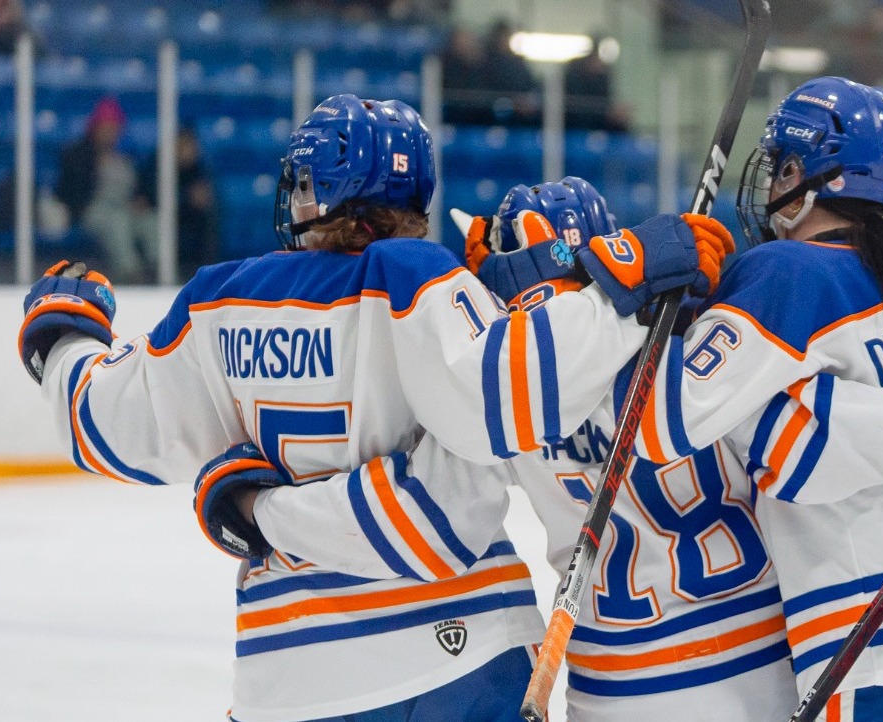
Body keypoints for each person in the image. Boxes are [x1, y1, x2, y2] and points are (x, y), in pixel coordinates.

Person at [17, 94, 729, 722]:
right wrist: (622, 285)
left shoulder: (216, 300)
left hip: (288, 676)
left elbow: (100, 424)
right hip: (460, 654)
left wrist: (63, 335)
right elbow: (500, 403)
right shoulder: (412, 274)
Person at [204, 176, 807, 721]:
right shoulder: (708, 343)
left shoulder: (494, 393)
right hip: (762, 663)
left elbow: (416, 513)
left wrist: (258, 507)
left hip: (619, 685)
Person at [586, 77, 883, 720]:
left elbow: (647, 425)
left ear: (808, 174)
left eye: (782, 164)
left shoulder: (785, 272)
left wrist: (627, 302)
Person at [55, 97, 158, 283]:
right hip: (92, 210)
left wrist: (140, 200)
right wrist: (93, 166)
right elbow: (70, 192)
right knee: (117, 221)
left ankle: (157, 268)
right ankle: (130, 273)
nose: (110, 132)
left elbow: (141, 187)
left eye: (114, 127)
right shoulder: (78, 154)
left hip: (126, 208)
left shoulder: (128, 155)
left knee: (150, 220)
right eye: (106, 126)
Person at [135, 125, 220, 281]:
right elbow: (151, 197)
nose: (188, 150)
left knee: (209, 221)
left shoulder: (199, 170)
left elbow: (209, 197)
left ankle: (206, 271)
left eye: (191, 145)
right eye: (183, 145)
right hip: (162, 222)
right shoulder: (157, 165)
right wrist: (188, 198)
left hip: (191, 223)